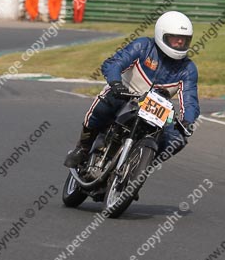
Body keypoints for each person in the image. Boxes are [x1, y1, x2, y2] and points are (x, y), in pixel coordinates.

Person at [64, 11, 199, 167]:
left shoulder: (188, 69)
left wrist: (188, 121)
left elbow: (191, 101)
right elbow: (115, 63)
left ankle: (140, 169)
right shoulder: (142, 46)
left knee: (177, 138)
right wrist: (116, 83)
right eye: (175, 38)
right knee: (106, 103)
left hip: (155, 111)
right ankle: (83, 148)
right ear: (162, 35)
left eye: (184, 40)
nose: (180, 43)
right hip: (124, 96)